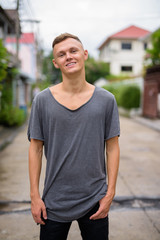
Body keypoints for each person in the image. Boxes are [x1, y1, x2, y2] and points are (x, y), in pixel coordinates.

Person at [28, 33, 120, 240]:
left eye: (73, 51)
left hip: (95, 199)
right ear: (55, 63)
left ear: (84, 54)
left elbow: (112, 147)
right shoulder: (42, 101)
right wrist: (35, 196)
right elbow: (35, 148)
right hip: (54, 200)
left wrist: (110, 193)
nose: (68, 56)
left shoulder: (106, 100)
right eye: (61, 54)